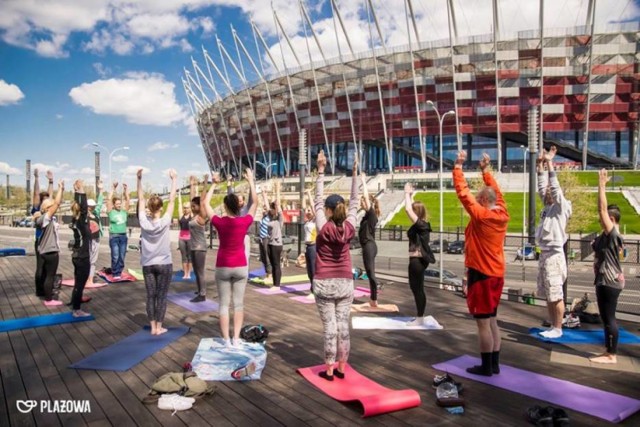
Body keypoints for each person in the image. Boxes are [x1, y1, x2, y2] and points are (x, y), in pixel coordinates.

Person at [453, 150, 509, 376]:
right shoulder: (502, 211)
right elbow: (497, 192)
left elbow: (464, 194)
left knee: (483, 324)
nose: (476, 200)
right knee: (493, 320)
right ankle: (494, 364)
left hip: (482, 273)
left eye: (479, 199)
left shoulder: (483, 216)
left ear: (484, 201)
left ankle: (486, 366)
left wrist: (458, 167)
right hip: (497, 273)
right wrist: (486, 170)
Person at [313, 151, 359, 381]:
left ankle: (329, 369)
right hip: (345, 282)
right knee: (343, 325)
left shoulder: (323, 227)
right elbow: (355, 202)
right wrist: (354, 174)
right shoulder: (350, 227)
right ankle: (342, 367)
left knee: (330, 327)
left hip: (324, 282)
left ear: (329, 211)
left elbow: (317, 200)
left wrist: (321, 170)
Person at [205, 169, 258, 346]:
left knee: (223, 305)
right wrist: (250, 180)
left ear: (225, 207)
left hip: (223, 266)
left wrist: (213, 183)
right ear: (238, 206)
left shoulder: (220, 223)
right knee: (238, 304)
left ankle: (226, 340)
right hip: (241, 266)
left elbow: (205, 204)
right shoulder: (244, 222)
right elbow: (255, 202)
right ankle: (236, 338)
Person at [535, 146, 572, 339]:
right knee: (548, 292)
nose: (548, 192)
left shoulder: (561, 207)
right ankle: (552, 325)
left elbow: (554, 189)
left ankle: (558, 327)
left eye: (551, 191)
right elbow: (542, 189)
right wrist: (539, 165)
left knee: (556, 292)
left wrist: (549, 162)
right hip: (545, 253)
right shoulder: (548, 207)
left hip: (555, 255)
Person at [590, 169, 625, 364]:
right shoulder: (606, 236)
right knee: (605, 317)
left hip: (610, 281)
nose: (600, 220)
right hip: (605, 280)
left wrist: (601, 185)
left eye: (604, 219)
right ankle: (608, 351)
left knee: (609, 317)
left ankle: (611, 355)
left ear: (611, 220)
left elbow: (602, 210)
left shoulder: (613, 235)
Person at [137, 169, 177, 335]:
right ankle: (159, 327)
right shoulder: (165, 221)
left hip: (148, 264)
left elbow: (140, 199)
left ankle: (153, 327)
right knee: (161, 296)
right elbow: (172, 199)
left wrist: (138, 179)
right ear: (160, 207)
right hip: (164, 263)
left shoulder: (143, 222)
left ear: (149, 207)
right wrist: (174, 180)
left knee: (150, 296)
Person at [404, 182, 435, 325]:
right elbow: (410, 209)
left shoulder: (422, 225)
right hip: (416, 260)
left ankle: (420, 318)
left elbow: (407, 210)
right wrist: (410, 195)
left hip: (417, 261)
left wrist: (406, 193)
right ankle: (420, 317)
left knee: (417, 289)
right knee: (416, 288)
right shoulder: (421, 225)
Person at [34, 180, 64, 307]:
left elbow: (55, 204)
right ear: (47, 208)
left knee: (47, 274)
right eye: (51, 206)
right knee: (50, 276)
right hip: (50, 251)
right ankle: (49, 299)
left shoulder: (43, 218)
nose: (55, 208)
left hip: (45, 250)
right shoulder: (45, 218)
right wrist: (60, 188)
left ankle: (46, 295)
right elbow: (57, 203)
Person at [69, 179, 92, 317]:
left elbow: (79, 206)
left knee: (78, 283)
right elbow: (83, 206)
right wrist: (81, 190)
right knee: (80, 284)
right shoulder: (82, 223)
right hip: (82, 257)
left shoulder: (74, 220)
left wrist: (77, 192)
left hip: (77, 256)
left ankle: (74, 304)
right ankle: (77, 310)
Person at [359, 171, 382, 308]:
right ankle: (373, 299)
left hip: (369, 245)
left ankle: (374, 298)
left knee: (370, 273)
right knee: (369, 272)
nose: (362, 202)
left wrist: (363, 181)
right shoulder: (366, 217)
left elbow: (367, 199)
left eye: (363, 201)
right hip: (367, 246)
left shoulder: (371, 214)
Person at [190, 175, 212, 302]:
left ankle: (202, 294)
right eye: (191, 206)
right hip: (194, 247)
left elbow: (203, 200)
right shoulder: (194, 216)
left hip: (200, 248)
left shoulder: (201, 216)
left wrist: (204, 183)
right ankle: (199, 289)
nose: (192, 208)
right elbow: (192, 199)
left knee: (200, 271)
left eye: (194, 206)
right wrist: (192, 184)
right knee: (196, 271)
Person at [32, 169, 54, 297]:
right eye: (44, 200)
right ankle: (39, 290)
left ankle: (46, 288)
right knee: (40, 267)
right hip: (40, 242)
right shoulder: (37, 210)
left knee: (48, 268)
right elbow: (36, 194)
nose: (47, 201)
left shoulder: (50, 210)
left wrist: (51, 181)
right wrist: (36, 178)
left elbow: (50, 197)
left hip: (50, 243)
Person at [106, 181, 131, 279]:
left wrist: (125, 190)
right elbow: (108, 199)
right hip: (114, 236)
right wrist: (113, 188)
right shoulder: (111, 212)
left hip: (123, 236)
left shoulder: (124, 212)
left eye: (120, 204)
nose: (119, 205)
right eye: (117, 204)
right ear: (114, 204)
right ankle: (115, 272)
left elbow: (128, 200)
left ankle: (119, 271)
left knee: (122, 255)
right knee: (115, 255)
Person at [86, 180, 105, 288]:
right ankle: (85, 277)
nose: (92, 208)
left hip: (96, 239)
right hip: (87, 240)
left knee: (93, 260)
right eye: (90, 206)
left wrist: (101, 189)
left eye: (93, 206)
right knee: (87, 259)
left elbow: (100, 202)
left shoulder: (96, 213)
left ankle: (90, 279)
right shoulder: (84, 216)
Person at [177, 177, 195, 279]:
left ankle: (189, 273)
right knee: (184, 257)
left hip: (190, 238)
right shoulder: (181, 215)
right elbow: (179, 204)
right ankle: (185, 273)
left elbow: (191, 201)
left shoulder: (192, 215)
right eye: (184, 207)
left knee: (190, 257)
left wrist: (192, 186)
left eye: (187, 207)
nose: (185, 209)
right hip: (182, 239)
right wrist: (179, 194)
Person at [267, 181, 284, 289]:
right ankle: (274, 283)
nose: (272, 209)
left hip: (277, 244)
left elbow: (278, 205)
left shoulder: (279, 220)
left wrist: (277, 189)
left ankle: (277, 284)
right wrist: (264, 194)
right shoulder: (270, 218)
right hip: (270, 243)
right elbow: (269, 208)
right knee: (273, 264)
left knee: (276, 264)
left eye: (274, 208)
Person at [304, 189, 317, 295]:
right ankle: (312, 289)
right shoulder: (308, 221)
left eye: (309, 211)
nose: (308, 212)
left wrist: (308, 193)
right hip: (308, 247)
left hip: (314, 247)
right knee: (309, 270)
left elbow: (313, 206)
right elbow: (305, 208)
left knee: (313, 270)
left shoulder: (316, 221)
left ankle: (315, 291)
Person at [258, 191, 272, 279]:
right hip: (261, 238)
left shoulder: (270, 216)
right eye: (263, 208)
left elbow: (268, 207)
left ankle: (270, 273)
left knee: (267, 256)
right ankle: (266, 272)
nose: (264, 210)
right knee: (263, 257)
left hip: (266, 238)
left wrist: (264, 196)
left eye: (265, 208)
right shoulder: (263, 217)